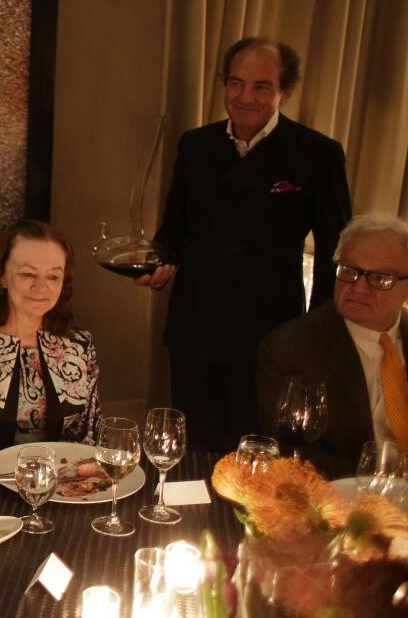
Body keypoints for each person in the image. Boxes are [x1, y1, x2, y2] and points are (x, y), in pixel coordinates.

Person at [138, 37, 352, 451]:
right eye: (236, 84)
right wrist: (157, 264)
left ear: (284, 92)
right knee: (193, 450)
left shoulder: (318, 154)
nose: (245, 97)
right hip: (196, 326)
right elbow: (174, 229)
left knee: (256, 451)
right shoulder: (195, 145)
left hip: (270, 333)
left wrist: (319, 332)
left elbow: (334, 253)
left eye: (261, 86)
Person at [0, 220, 102, 464]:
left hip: (63, 489)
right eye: (27, 273)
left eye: (53, 276)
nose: (41, 286)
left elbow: (91, 440)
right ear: (2, 275)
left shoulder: (81, 344)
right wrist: (34, 470)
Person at [255, 215, 408, 477]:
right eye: (349, 271)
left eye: (380, 278)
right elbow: (293, 457)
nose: (358, 288)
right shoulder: (289, 348)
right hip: (345, 502)